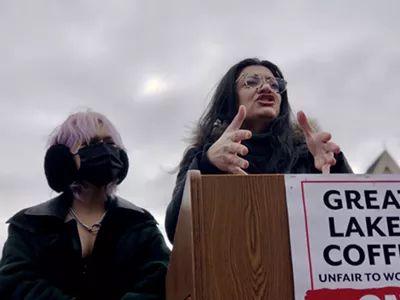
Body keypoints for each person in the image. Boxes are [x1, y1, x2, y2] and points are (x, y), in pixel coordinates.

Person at [165, 58, 353, 243]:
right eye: (251, 82)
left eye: (274, 84)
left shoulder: (306, 156)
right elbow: (176, 232)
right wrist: (208, 164)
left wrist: (334, 165)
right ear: (230, 98)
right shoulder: (202, 158)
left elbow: (354, 220)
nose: (266, 88)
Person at [0, 111, 170, 300]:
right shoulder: (29, 226)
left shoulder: (141, 225)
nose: (104, 150)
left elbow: (158, 281)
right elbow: (15, 283)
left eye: (110, 143)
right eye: (89, 144)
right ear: (63, 159)